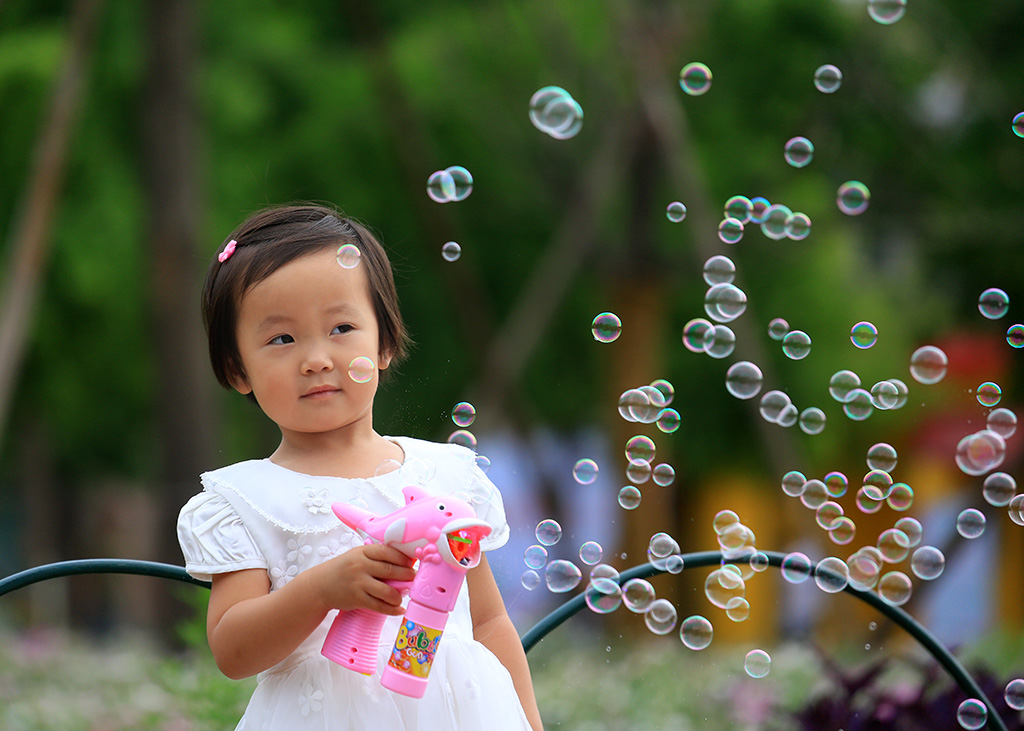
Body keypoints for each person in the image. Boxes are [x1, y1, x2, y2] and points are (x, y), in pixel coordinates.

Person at [177, 204, 543, 730]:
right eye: (282, 339)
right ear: (237, 369)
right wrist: (321, 590)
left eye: (342, 327)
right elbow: (233, 650)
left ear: (385, 342)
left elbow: (487, 622)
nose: (317, 359)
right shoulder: (244, 500)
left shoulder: (446, 475)